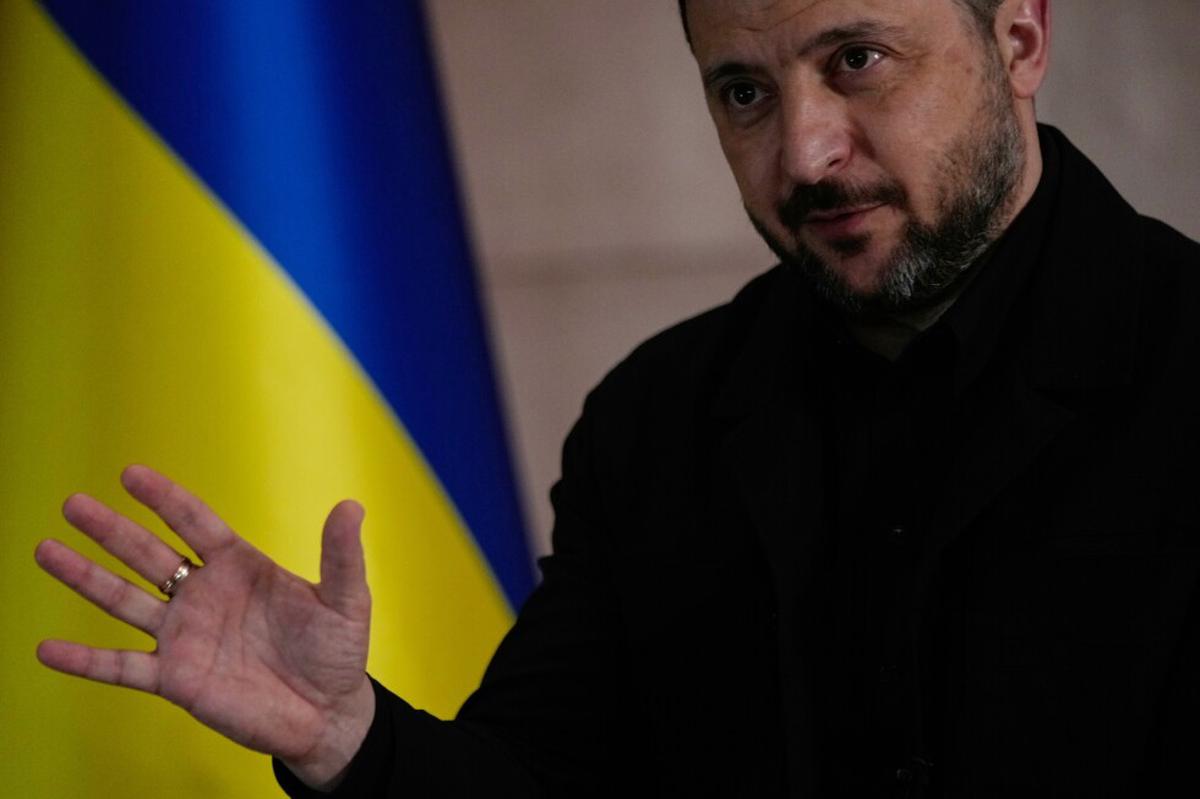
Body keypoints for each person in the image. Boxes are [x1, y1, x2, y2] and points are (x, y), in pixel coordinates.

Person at [35, 0, 1200, 795]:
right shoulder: (656, 421)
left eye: (856, 59)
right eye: (743, 92)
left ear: (1019, 38)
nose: (804, 152)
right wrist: (352, 741)